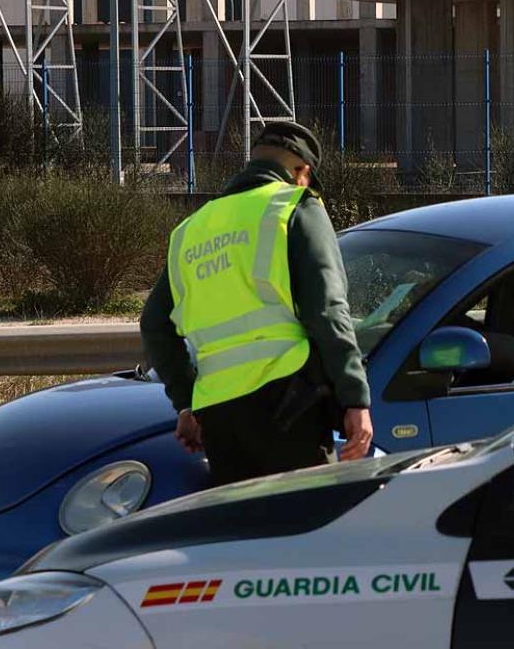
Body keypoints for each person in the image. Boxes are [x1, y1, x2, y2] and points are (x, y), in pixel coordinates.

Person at [140, 121, 373, 486]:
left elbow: (154, 324)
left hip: (219, 419)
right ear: (301, 172)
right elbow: (328, 309)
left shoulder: (192, 229)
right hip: (289, 406)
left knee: (245, 535)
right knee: (308, 531)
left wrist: (186, 402)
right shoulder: (295, 205)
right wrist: (355, 398)